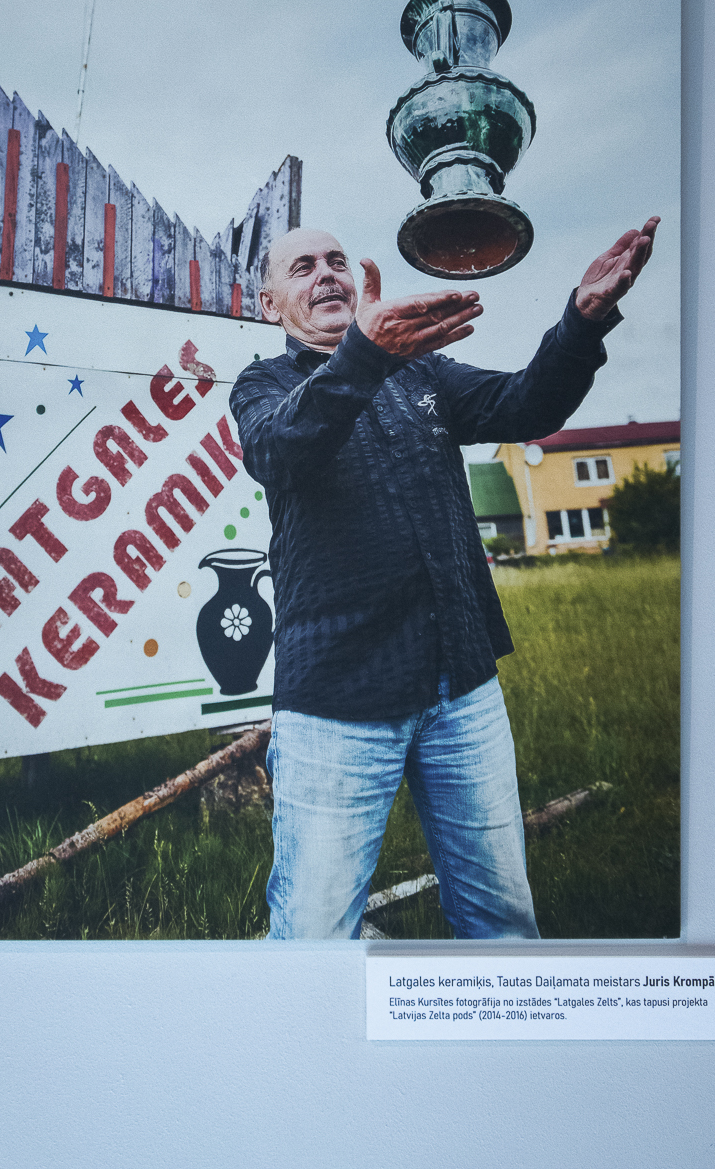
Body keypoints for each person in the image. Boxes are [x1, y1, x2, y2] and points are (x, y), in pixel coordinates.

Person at [229, 219, 659, 941]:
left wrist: (582, 321)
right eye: (303, 268)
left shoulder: (420, 372)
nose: (327, 274)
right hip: (337, 700)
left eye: (336, 260)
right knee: (313, 935)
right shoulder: (262, 385)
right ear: (271, 305)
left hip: (461, 688)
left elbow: (525, 404)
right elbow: (279, 450)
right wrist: (364, 356)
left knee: (502, 922)